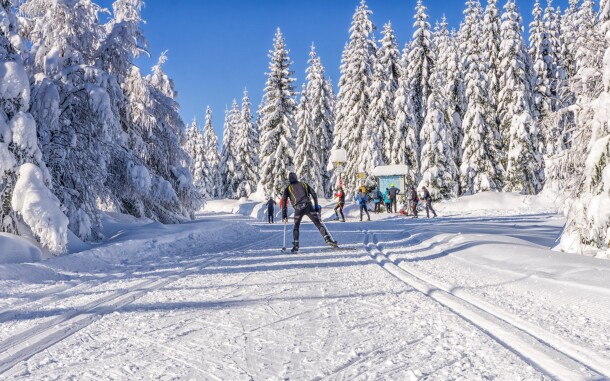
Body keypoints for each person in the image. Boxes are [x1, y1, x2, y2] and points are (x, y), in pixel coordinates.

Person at [281, 172, 337, 253]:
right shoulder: (304, 184)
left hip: (298, 209)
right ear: (296, 177)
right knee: (318, 224)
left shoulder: (288, 188)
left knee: (296, 227)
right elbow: (314, 194)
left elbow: (284, 202)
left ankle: (296, 245)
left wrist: (284, 215)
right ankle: (328, 239)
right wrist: (316, 206)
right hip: (308, 207)